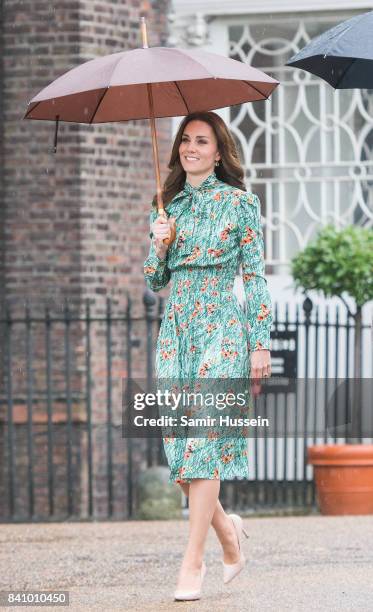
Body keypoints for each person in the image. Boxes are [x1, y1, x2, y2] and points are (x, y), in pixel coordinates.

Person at [143, 111, 272, 601]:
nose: (190, 148)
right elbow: (155, 281)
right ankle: (227, 531)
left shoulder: (240, 204)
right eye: (185, 140)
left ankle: (191, 564)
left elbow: (254, 276)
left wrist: (259, 340)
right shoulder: (164, 206)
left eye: (202, 141)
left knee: (203, 442)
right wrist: (160, 246)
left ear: (219, 152)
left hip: (221, 327)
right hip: (177, 331)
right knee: (182, 455)